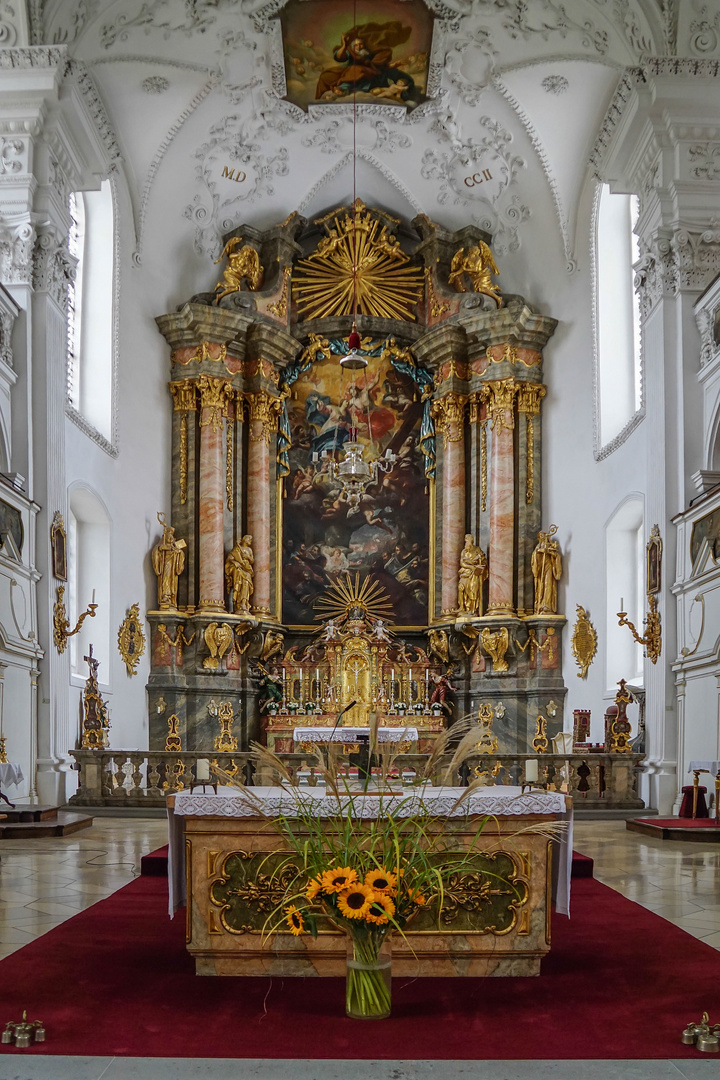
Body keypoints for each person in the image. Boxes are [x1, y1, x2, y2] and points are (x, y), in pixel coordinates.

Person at [151, 512, 186, 610]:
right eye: (169, 536)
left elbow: (181, 554)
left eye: (171, 537)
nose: (170, 539)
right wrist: (161, 548)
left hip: (173, 565)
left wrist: (178, 552)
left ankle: (171, 597)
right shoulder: (161, 543)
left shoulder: (174, 545)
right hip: (166, 564)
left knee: (171, 580)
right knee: (166, 578)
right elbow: (156, 550)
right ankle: (165, 596)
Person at [531, 526, 563, 615]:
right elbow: (534, 558)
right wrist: (540, 551)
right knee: (541, 586)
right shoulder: (537, 548)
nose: (542, 537)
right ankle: (540, 605)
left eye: (543, 535)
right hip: (540, 569)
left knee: (548, 584)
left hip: (549, 567)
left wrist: (548, 552)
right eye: (540, 536)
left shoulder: (550, 545)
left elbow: (556, 555)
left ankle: (547, 605)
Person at [457, 534, 488, 616]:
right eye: (466, 540)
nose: (467, 541)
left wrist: (479, 562)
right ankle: (462, 607)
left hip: (474, 574)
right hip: (465, 572)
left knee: (472, 590)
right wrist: (470, 566)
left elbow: (483, 560)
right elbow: (461, 563)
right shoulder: (464, 551)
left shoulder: (477, 549)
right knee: (461, 588)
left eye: (469, 539)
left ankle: (473, 610)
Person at [225, 535, 254, 614]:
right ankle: (238, 605)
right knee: (238, 584)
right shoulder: (237, 549)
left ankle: (244, 603)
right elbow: (230, 558)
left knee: (246, 584)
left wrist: (247, 556)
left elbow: (252, 560)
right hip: (239, 569)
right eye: (249, 539)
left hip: (247, 569)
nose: (251, 541)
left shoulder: (249, 550)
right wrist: (235, 562)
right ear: (245, 540)